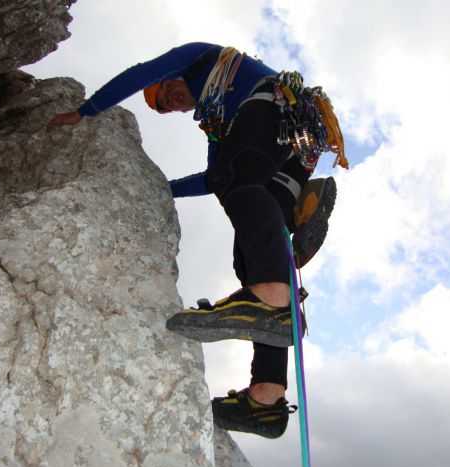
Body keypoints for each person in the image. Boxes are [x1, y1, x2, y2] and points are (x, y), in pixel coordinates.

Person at [49, 42, 338, 439]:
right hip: (291, 151)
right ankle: (265, 400)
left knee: (238, 183)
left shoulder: (203, 58)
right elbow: (212, 176)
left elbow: (141, 72)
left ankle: (272, 295)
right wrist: (160, 188)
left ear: (172, 79)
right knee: (248, 257)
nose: (168, 100)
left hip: (276, 109)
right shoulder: (219, 122)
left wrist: (87, 110)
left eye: (164, 92)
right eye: (165, 107)